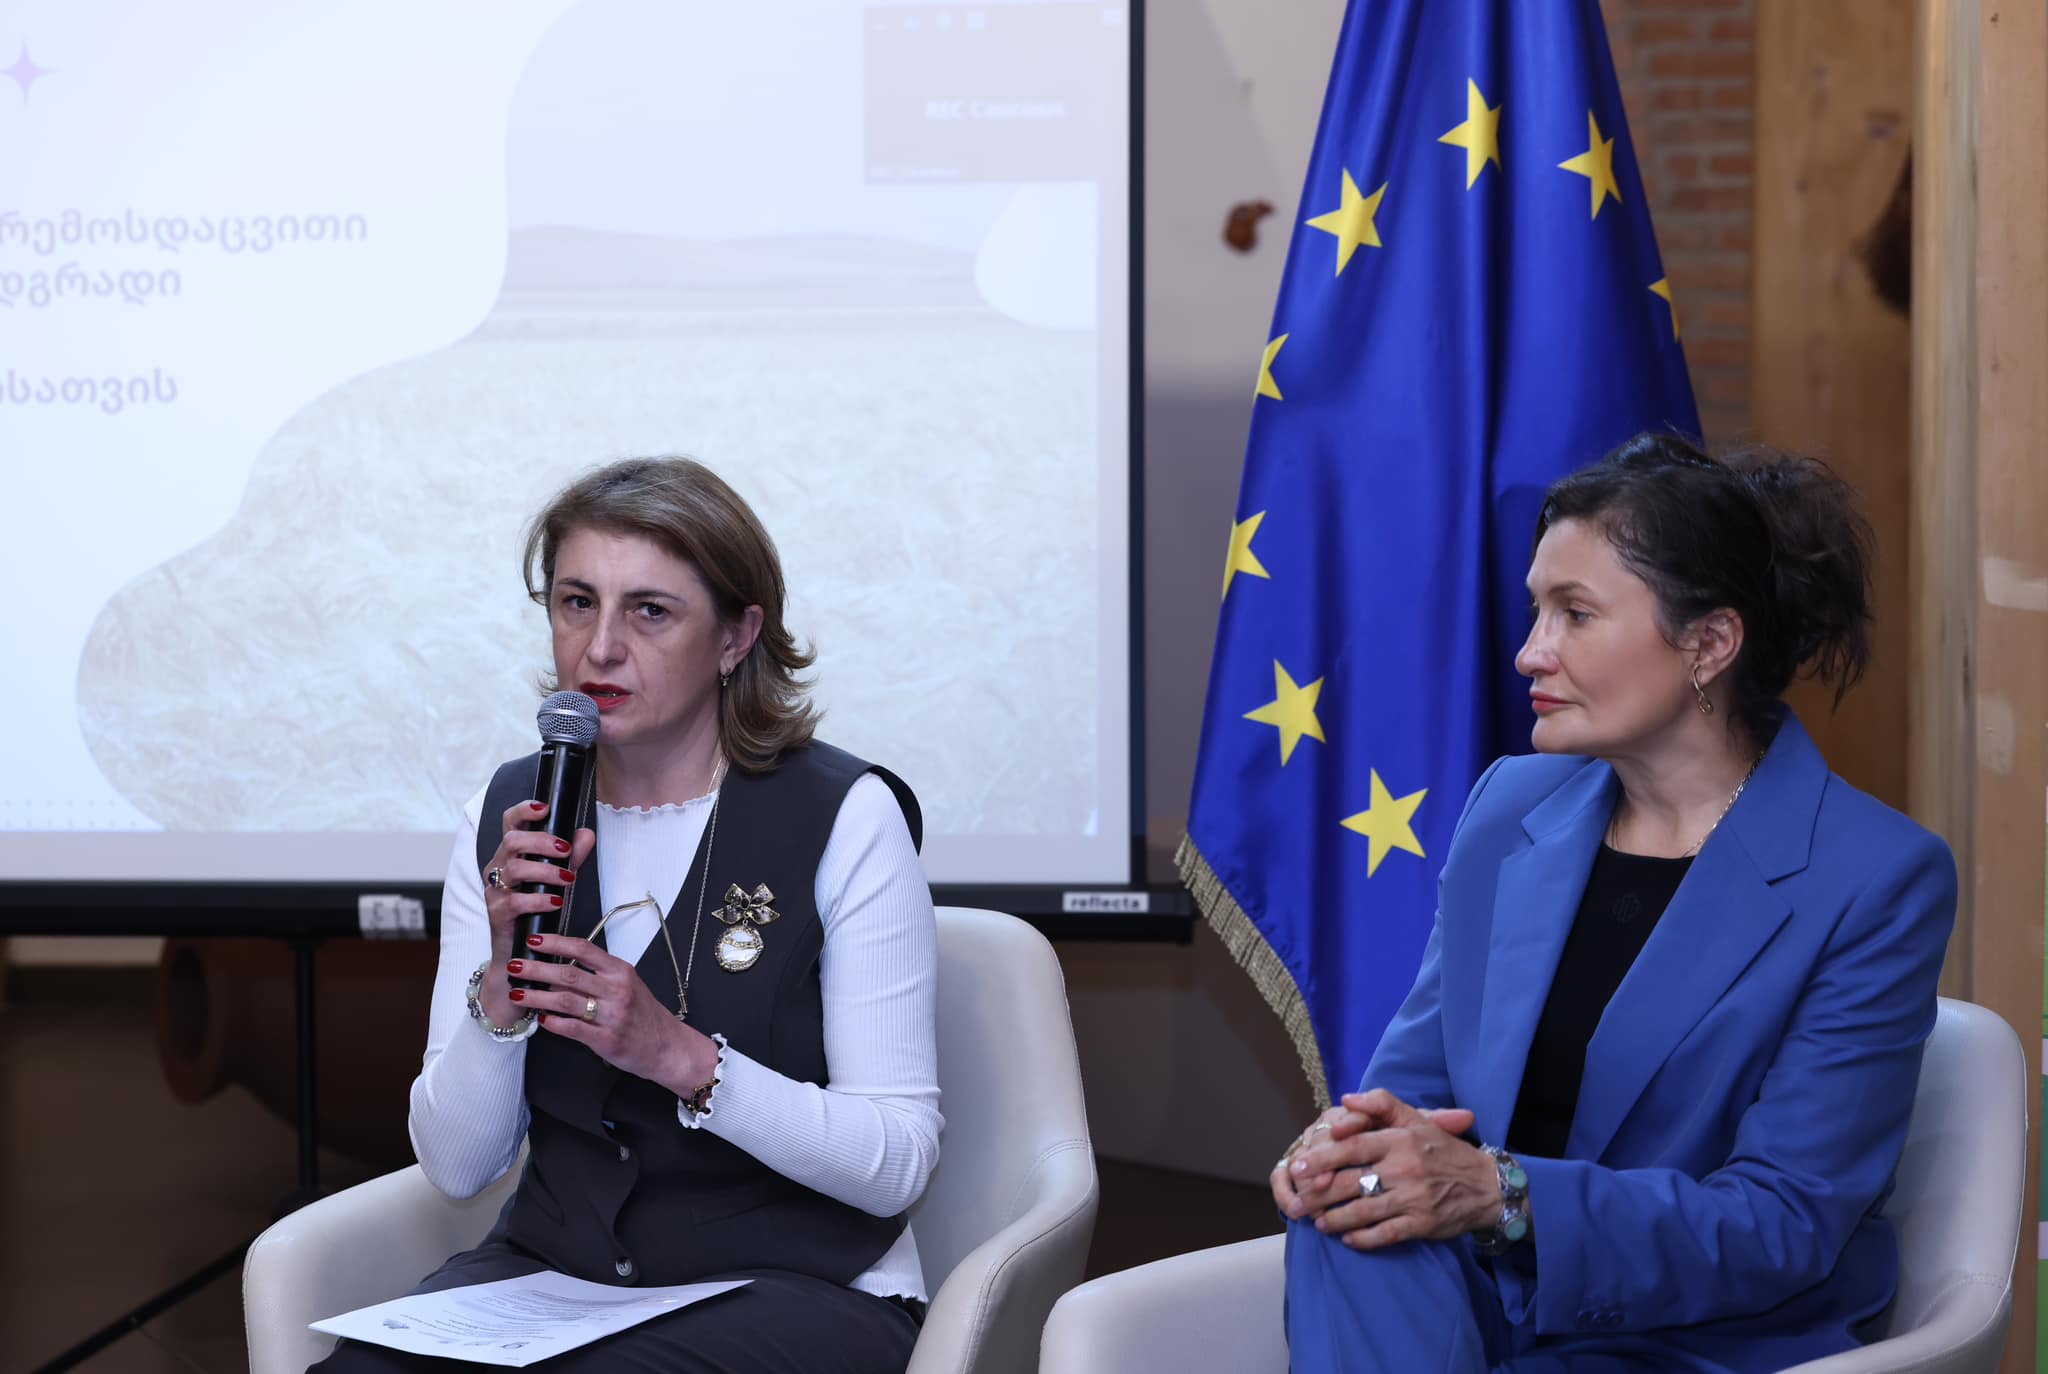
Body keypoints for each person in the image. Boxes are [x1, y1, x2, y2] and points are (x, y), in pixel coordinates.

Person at [1272, 434, 1957, 1374]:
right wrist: (1343, 1155)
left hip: (1690, 1336)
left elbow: (1784, 1221)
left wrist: (1504, 1196)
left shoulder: (1877, 877)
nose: (1529, 653)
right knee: (1347, 1219)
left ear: (1709, 643)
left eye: (1576, 614)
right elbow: (1416, 1096)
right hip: (1477, 1303)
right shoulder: (1508, 807)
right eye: (1536, 612)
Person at [314, 458, 941, 1373]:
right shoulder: (508, 816)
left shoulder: (845, 815)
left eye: (649, 611)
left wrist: (679, 1057)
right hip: (561, 1277)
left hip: (798, 1284)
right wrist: (499, 997)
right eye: (577, 602)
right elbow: (457, 1168)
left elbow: (899, 1162)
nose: (600, 647)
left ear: (736, 636)